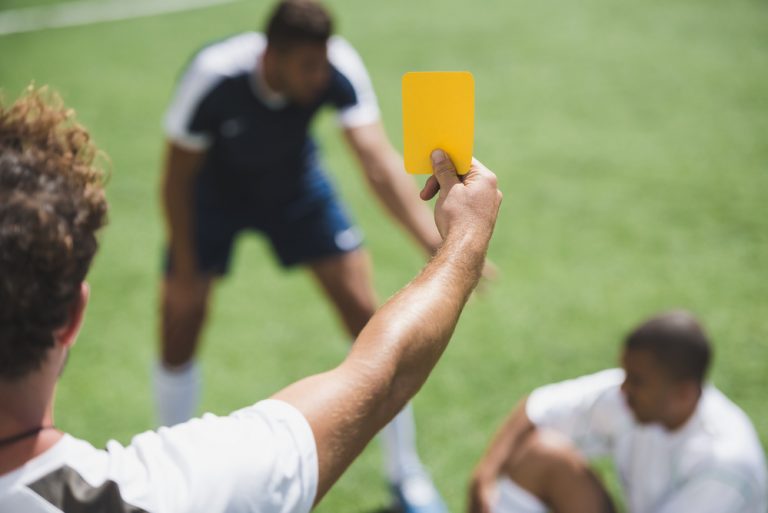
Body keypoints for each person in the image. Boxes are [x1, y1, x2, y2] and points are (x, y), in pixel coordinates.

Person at [0, 87, 502, 513]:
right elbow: (382, 375)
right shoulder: (158, 494)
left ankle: (405, 471)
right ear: (72, 316)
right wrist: (465, 240)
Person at [156, 1, 492, 509]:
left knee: (368, 315)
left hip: (293, 188)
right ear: (272, 56)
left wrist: (436, 239)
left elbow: (376, 162)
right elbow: (177, 178)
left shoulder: (337, 66)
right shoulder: (214, 75)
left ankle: (406, 474)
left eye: (323, 63)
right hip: (212, 197)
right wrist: (184, 268)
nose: (320, 76)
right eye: (306, 67)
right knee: (181, 318)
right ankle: (168, 481)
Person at [468, 310, 767, 513]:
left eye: (636, 381)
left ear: (683, 393)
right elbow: (538, 409)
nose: (622, 389)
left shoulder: (726, 463)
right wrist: (484, 477)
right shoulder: (639, 399)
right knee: (543, 454)